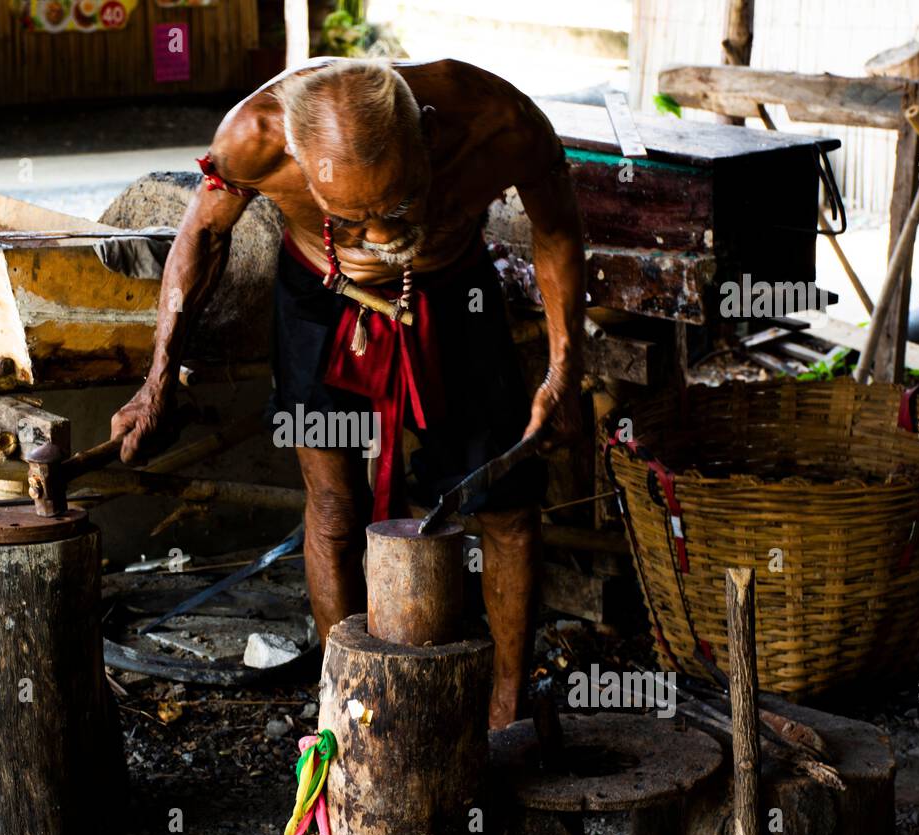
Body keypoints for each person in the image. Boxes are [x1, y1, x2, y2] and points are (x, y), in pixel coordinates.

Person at [110, 58, 586, 728]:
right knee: (335, 509)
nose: (386, 238)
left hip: (454, 295)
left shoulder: (496, 121)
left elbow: (559, 229)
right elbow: (204, 233)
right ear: (299, 161)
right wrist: (157, 381)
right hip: (325, 302)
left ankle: (507, 709)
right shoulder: (254, 135)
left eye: (399, 205)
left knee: (505, 505)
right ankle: (350, 705)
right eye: (357, 219)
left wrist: (565, 371)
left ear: (426, 134)